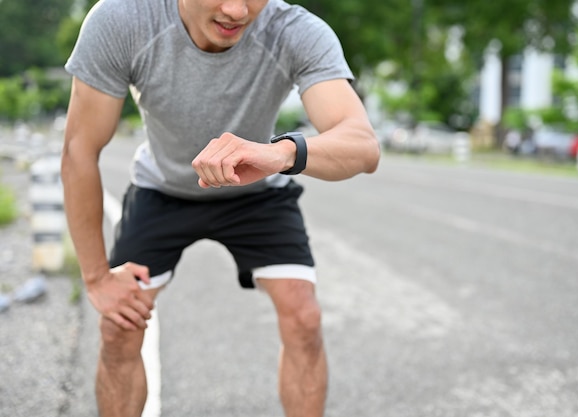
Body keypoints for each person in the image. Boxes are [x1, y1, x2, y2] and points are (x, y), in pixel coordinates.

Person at [61, 0, 380, 416]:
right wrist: (97, 278)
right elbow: (79, 150)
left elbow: (363, 146)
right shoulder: (123, 20)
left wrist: (281, 153)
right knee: (118, 328)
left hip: (257, 193)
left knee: (304, 318)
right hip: (164, 190)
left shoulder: (294, 30)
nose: (237, 10)